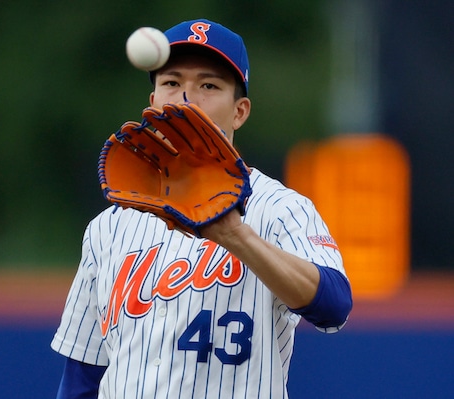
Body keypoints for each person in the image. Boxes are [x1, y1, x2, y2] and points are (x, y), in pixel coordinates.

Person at [51, 18, 353, 399]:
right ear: (154, 102)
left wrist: (236, 236)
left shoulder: (279, 207)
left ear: (240, 111)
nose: (186, 98)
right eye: (172, 83)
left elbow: (334, 306)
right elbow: (82, 378)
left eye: (208, 85)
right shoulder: (107, 227)